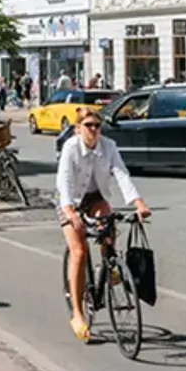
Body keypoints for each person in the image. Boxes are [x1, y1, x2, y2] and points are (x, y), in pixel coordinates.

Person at [55, 107, 151, 343]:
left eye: (97, 126)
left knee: (108, 220)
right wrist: (69, 209)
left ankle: (111, 264)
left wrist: (138, 203)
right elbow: (63, 180)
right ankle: (77, 314)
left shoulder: (108, 146)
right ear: (78, 128)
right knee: (79, 251)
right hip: (70, 201)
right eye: (88, 126)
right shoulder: (71, 148)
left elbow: (121, 174)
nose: (94, 130)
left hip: (96, 197)